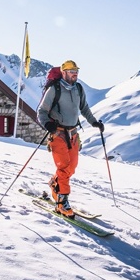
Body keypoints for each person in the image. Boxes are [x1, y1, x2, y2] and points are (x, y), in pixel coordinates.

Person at [37, 60, 104, 218]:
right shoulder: (55, 89)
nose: (75, 73)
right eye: (72, 71)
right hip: (58, 134)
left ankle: (55, 183)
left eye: (76, 71)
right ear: (64, 72)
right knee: (63, 166)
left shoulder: (78, 89)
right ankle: (62, 202)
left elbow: (84, 108)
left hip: (73, 134)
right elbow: (42, 111)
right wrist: (48, 124)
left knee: (71, 167)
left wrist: (94, 122)